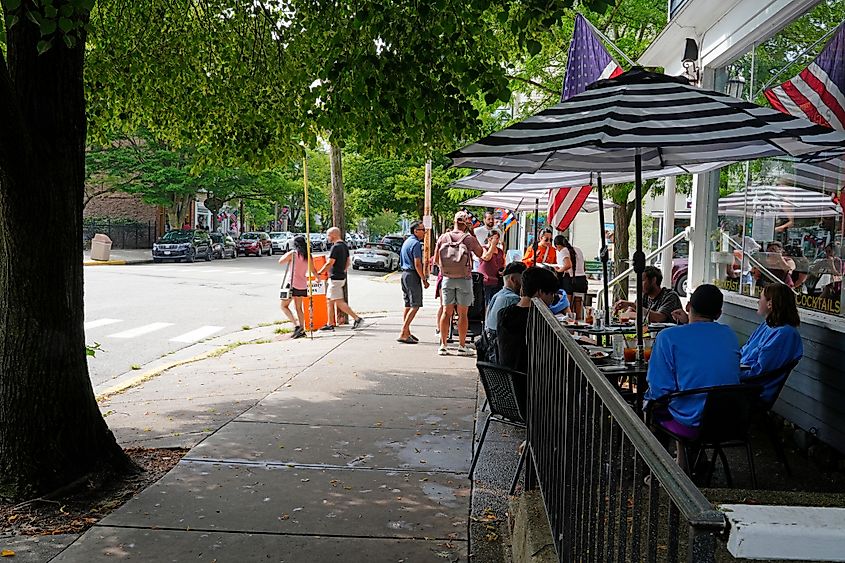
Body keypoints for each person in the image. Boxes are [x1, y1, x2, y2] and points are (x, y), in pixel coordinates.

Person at [645, 284, 741, 444]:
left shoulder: (667, 337)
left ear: (688, 306)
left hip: (691, 425)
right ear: (718, 314)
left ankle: (660, 466)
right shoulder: (728, 334)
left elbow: (659, 390)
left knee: (653, 407)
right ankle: (687, 461)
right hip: (729, 422)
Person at [740, 284, 803, 405]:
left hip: (753, 391)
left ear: (770, 303)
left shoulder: (785, 334)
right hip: (741, 381)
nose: (758, 301)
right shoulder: (768, 325)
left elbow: (761, 371)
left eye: (761, 298)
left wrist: (732, 373)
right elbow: (745, 350)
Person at [434, 211, 484, 356]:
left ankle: (443, 345)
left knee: (446, 312)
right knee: (463, 314)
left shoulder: (443, 237)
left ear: (454, 221)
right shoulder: (469, 239)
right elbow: (480, 254)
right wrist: (473, 233)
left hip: (447, 278)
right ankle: (462, 346)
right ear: (466, 222)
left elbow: (436, 259)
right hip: (464, 279)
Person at [497, 266, 560, 375]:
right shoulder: (540, 321)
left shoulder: (503, 314)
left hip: (507, 380)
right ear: (539, 292)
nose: (553, 299)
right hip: (532, 382)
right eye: (551, 294)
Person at [316, 227, 364, 331]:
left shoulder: (336, 247)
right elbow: (348, 261)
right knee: (330, 300)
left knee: (338, 301)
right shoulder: (344, 246)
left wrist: (320, 272)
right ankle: (330, 323)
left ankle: (357, 318)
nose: (327, 238)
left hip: (335, 278)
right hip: (340, 276)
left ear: (333, 235)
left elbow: (330, 262)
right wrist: (344, 270)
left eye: (328, 235)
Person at [483, 262, 526, 363]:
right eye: (524, 279)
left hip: (490, 351)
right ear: (513, 279)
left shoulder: (497, 295)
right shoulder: (512, 300)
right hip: (500, 354)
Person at [614, 266, 682, 324]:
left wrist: (632, 306)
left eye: (642, 280)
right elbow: (629, 313)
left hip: (668, 337)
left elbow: (659, 318)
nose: (638, 284)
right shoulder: (644, 295)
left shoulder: (670, 296)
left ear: (653, 280)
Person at [277, 235, 315, 339]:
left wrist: (288, 255)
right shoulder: (308, 256)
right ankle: (302, 328)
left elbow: (280, 261)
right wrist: (318, 278)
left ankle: (296, 325)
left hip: (292, 284)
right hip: (302, 285)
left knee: (284, 306)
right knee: (299, 308)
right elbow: (313, 270)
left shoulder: (293, 254)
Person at [398, 221, 429, 344]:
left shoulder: (407, 241)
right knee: (415, 305)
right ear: (416, 231)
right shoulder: (415, 243)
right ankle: (404, 331)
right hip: (412, 275)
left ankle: (407, 332)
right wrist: (424, 279)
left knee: (408, 304)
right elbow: (417, 263)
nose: (425, 233)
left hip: (404, 274)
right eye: (423, 230)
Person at [553, 235, 588, 316]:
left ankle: (569, 324)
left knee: (567, 307)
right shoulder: (578, 250)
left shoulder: (563, 251)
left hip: (570, 280)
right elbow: (583, 266)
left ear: (557, 245)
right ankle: (578, 322)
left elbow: (568, 265)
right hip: (582, 280)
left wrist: (559, 270)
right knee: (578, 307)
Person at [477, 229, 506, 306]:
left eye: (497, 238)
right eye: (495, 238)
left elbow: (503, 263)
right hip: (486, 280)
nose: (496, 241)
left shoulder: (500, 251)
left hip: (497, 280)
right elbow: (487, 258)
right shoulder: (483, 248)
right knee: (488, 302)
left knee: (495, 303)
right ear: (489, 239)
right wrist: (492, 246)